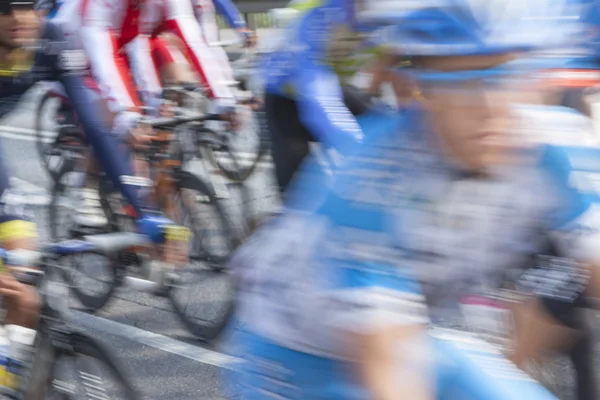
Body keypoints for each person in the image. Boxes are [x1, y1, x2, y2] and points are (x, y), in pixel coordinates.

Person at [225, 0, 599, 398]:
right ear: (427, 90)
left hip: (413, 338)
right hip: (293, 360)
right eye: (463, 83)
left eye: (503, 77)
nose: (489, 107)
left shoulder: (559, 146)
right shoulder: (375, 176)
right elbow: (384, 364)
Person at [0, 0, 187, 290]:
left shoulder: (49, 39)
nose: (18, 18)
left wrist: (142, 210)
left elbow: (96, 128)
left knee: (24, 273)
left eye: (26, 6)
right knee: (15, 260)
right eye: (4, 9)